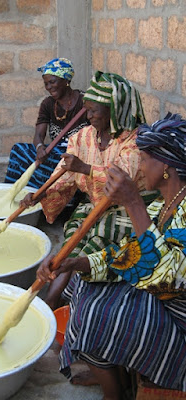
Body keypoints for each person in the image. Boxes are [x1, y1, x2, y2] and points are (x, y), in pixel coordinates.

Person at [37, 113, 186, 399]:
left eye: (145, 160)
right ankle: (110, 372)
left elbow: (168, 283)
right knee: (78, 283)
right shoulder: (164, 205)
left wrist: (132, 202)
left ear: (166, 165)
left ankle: (114, 391)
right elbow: (129, 253)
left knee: (97, 312)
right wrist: (75, 262)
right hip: (158, 291)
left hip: (177, 311)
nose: (140, 167)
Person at [22, 71, 157, 313]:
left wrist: (84, 167)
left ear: (115, 111)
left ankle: (62, 301)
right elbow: (62, 176)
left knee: (90, 245)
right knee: (71, 243)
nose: (89, 115)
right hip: (94, 206)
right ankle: (52, 301)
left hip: (130, 213)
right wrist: (40, 194)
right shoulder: (82, 137)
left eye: (95, 110)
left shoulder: (135, 141)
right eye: (86, 109)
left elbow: (120, 181)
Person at [4, 57, 89, 189]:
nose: (49, 87)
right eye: (46, 84)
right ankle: (11, 191)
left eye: (52, 82)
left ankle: (46, 196)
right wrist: (39, 148)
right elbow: (38, 135)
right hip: (54, 151)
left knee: (55, 162)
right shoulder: (48, 104)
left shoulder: (85, 102)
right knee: (18, 150)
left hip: (77, 154)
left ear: (66, 80)